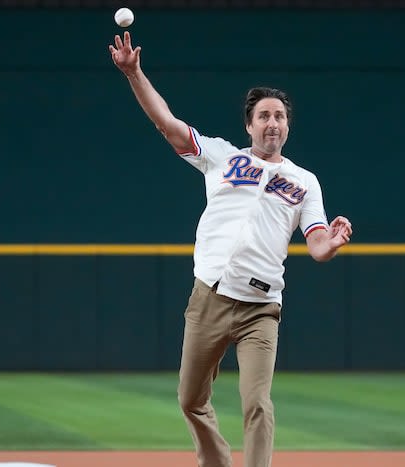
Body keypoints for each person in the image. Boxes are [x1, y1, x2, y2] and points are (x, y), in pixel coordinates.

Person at [109, 31, 353, 467]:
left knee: (257, 403)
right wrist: (134, 73)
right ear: (249, 125)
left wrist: (331, 243)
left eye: (279, 115)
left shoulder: (305, 182)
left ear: (288, 125)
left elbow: (316, 245)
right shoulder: (222, 156)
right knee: (189, 399)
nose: (272, 122)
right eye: (264, 115)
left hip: (261, 307)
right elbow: (166, 122)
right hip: (210, 298)